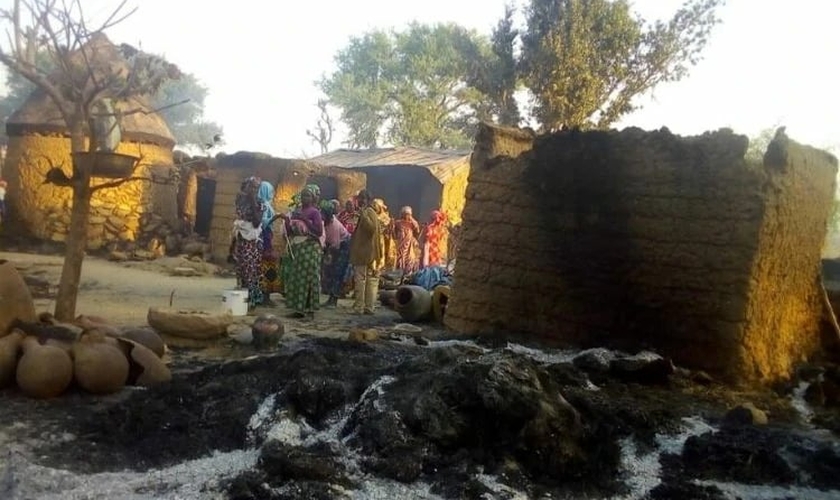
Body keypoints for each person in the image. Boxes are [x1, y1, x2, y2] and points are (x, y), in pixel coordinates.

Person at [281, 187, 324, 318]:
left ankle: (311, 308)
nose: (305, 198)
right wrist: (287, 221)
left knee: (310, 277)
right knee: (298, 278)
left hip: (311, 248)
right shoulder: (296, 211)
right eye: (303, 196)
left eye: (308, 196)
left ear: (313, 198)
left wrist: (305, 220)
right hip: (298, 248)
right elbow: (290, 232)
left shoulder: (315, 212)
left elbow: (318, 231)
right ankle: (298, 308)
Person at [231, 177, 265, 309]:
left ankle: (252, 300)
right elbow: (239, 220)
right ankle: (242, 299)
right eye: (250, 186)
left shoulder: (260, 203)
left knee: (251, 269)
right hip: (241, 239)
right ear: (245, 186)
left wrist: (252, 201)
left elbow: (256, 222)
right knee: (241, 269)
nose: (252, 190)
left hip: (252, 242)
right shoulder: (240, 200)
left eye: (255, 187)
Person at [349, 189, 383, 315]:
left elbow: (371, 229)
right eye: (359, 199)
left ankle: (359, 307)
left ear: (368, 200)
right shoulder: (371, 212)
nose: (360, 201)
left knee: (361, 280)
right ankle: (368, 307)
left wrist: (363, 215)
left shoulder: (368, 212)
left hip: (365, 253)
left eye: (363, 199)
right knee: (369, 281)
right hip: (369, 253)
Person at [321, 203, 351, 308]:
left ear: (329, 214)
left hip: (343, 247)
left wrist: (327, 254)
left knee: (337, 273)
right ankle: (330, 299)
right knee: (331, 272)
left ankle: (333, 300)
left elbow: (335, 245)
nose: (321, 215)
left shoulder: (334, 225)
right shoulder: (325, 222)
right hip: (334, 247)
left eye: (324, 213)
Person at [257, 180, 282, 303]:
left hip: (266, 237)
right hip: (264, 237)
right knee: (267, 266)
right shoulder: (263, 205)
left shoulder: (265, 204)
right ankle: (265, 295)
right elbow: (262, 223)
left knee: (266, 266)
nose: (272, 193)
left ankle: (264, 294)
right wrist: (275, 217)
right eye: (270, 191)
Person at [392, 206, 421, 275]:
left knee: (410, 258)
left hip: (409, 245)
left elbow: (417, 229)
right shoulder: (398, 223)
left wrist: (411, 219)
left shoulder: (411, 224)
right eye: (406, 214)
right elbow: (394, 232)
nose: (407, 216)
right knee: (400, 258)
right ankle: (399, 274)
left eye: (409, 214)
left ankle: (408, 274)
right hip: (401, 244)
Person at [371, 198, 394, 270]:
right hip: (372, 237)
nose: (375, 208)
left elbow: (386, 229)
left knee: (380, 252)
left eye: (376, 206)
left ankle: (378, 268)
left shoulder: (385, 217)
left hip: (380, 238)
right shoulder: (371, 215)